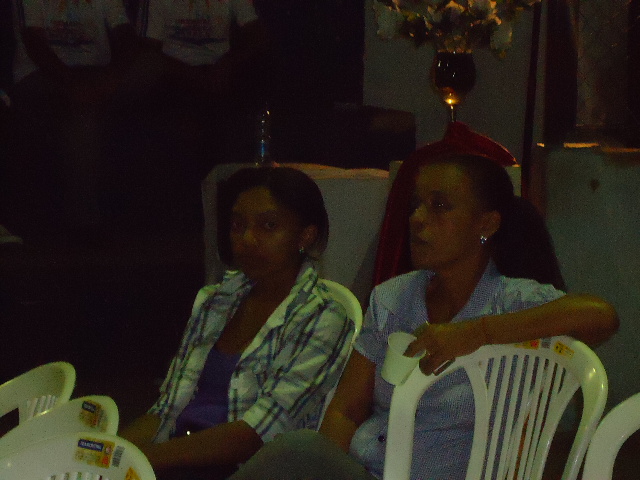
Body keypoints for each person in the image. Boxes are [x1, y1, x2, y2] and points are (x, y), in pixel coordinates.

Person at [229, 153, 619, 480]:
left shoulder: (510, 300)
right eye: (415, 205)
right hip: (371, 470)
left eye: (440, 206)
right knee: (301, 454)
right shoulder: (394, 298)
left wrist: (477, 332)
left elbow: (600, 316)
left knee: (294, 452)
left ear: (486, 224)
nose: (417, 218)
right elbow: (346, 411)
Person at [119, 166, 355, 479]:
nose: (247, 238)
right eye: (237, 225)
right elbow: (166, 408)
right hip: (177, 456)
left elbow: (255, 435)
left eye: (268, 225)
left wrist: (142, 460)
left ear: (305, 235)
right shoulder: (217, 300)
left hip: (247, 469)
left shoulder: (322, 317)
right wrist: (113, 453)